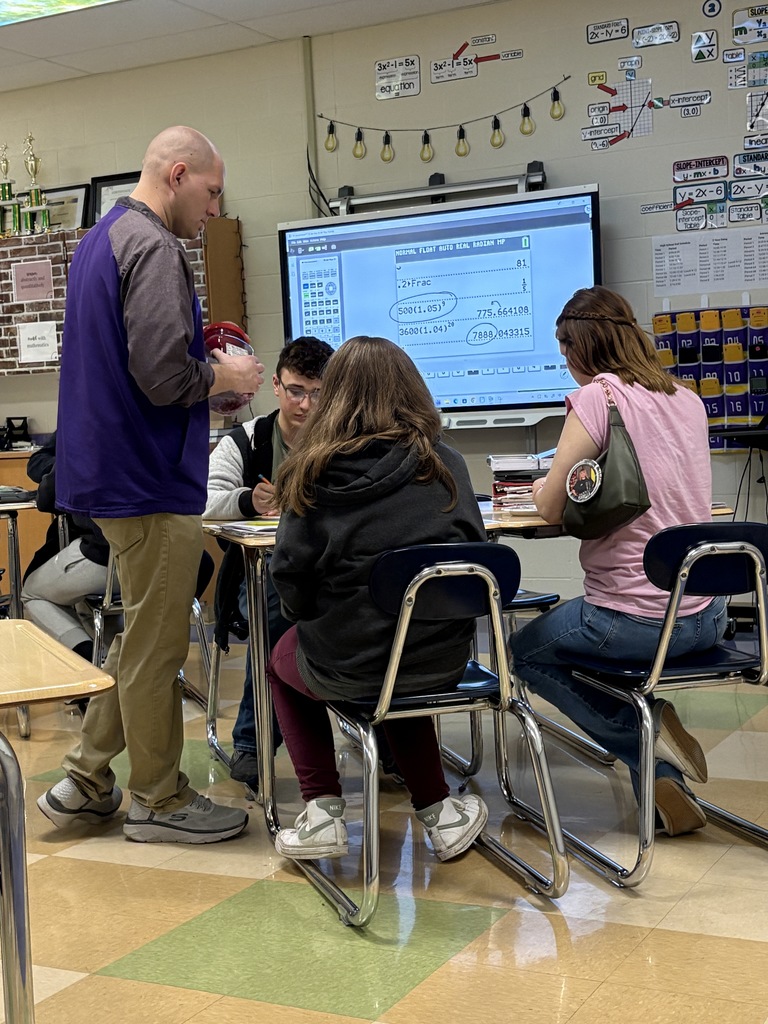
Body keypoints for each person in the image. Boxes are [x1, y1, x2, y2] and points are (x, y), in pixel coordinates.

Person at [38, 125, 265, 845]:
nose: (214, 208)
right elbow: (165, 375)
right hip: (148, 478)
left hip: (108, 475)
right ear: (176, 174)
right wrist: (226, 377)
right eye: (211, 190)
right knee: (159, 647)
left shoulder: (98, 242)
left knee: (140, 635)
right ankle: (159, 801)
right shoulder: (157, 249)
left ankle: (85, 778)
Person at [509, 286, 727, 837]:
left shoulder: (599, 398)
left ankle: (642, 734)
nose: (565, 364)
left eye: (564, 351)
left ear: (582, 345)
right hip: (705, 615)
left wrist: (538, 486)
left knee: (525, 653)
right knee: (593, 645)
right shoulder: (687, 397)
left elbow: (552, 503)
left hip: (632, 623)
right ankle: (657, 776)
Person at [266, 335, 489, 862]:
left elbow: (290, 582)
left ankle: (322, 810)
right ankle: (438, 811)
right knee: (401, 650)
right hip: (441, 659)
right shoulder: (447, 465)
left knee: (282, 658)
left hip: (350, 660)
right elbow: (475, 557)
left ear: (334, 397)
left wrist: (321, 619)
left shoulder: (310, 473)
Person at [204, 335, 333, 789]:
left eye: (319, 394)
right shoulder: (247, 439)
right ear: (275, 385)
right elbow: (204, 500)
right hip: (259, 577)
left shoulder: (344, 439)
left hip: (334, 573)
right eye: (297, 391)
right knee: (280, 608)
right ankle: (252, 742)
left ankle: (388, 738)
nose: (306, 404)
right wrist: (246, 501)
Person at [22, 430, 115, 665]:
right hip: (178, 557)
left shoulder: (85, 424)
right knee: (90, 600)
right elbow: (36, 463)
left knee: (32, 592)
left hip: (105, 555)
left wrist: (65, 472)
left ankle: (89, 662)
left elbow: (45, 498)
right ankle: (115, 661)